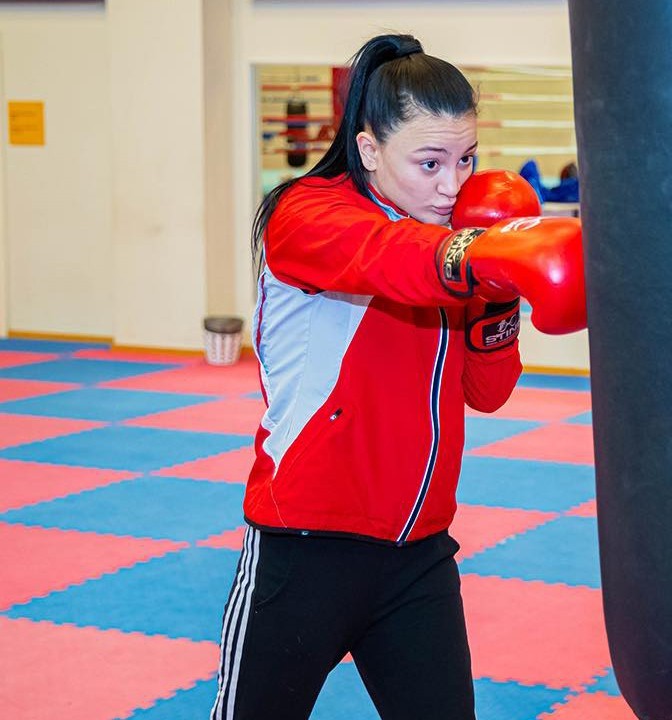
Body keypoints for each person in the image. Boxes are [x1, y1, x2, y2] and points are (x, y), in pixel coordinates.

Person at [211, 34, 584, 720]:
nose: (452, 184)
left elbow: (488, 392)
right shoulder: (309, 216)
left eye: (466, 158)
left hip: (419, 556)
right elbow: (390, 260)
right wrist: (488, 254)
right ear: (370, 148)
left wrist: (499, 291)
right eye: (430, 161)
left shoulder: (457, 242)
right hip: (307, 546)